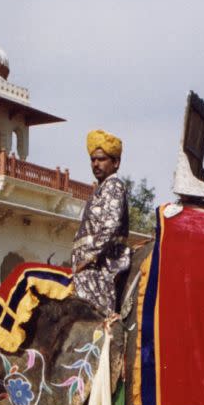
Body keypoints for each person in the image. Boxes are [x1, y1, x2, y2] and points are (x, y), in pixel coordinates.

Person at [71, 129, 131, 313]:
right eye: (93, 159)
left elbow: (110, 226)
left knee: (94, 320)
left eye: (102, 159)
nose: (96, 164)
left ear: (116, 163)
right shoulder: (101, 189)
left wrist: (88, 257)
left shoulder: (114, 186)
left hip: (102, 266)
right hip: (90, 266)